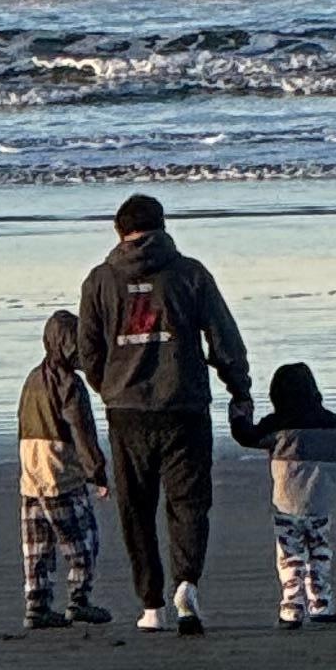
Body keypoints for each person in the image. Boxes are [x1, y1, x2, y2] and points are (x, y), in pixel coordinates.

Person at [77, 189, 250, 634]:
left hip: (128, 410)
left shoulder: (99, 280)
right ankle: (186, 582)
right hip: (183, 404)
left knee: (136, 507)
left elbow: (88, 351)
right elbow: (223, 338)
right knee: (189, 502)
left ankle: (151, 604)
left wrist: (110, 388)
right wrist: (238, 387)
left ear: (120, 232)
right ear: (163, 226)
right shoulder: (190, 274)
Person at [231, 359, 336, 627]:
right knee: (320, 552)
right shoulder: (333, 425)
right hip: (320, 503)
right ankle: (321, 603)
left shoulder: (277, 425)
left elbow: (247, 436)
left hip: (285, 505)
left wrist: (240, 411)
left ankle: (292, 606)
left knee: (289, 555)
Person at [16, 309, 112, 629]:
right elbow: (81, 431)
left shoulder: (32, 379)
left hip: (31, 475)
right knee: (81, 540)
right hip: (61, 474)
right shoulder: (69, 384)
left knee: (37, 546)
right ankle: (79, 600)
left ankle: (37, 604)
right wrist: (96, 472)